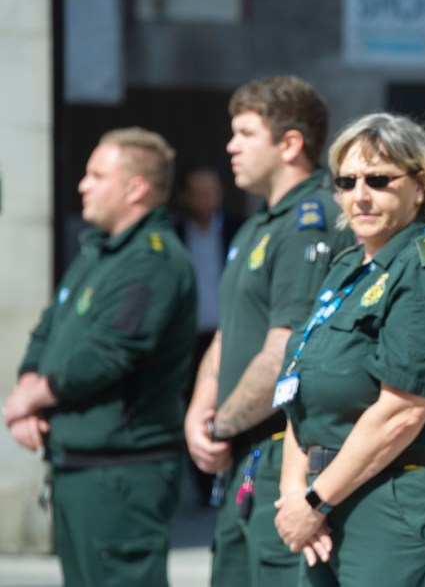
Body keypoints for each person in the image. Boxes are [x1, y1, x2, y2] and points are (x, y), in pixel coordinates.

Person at [272, 113, 425, 586]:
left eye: (378, 180)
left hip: (404, 503)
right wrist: (295, 493)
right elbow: (302, 388)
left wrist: (313, 502)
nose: (360, 195)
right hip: (330, 500)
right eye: (347, 182)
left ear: (419, 185)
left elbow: (402, 409)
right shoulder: (348, 267)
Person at [3, 127, 197, 587]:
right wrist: (29, 386)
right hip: (80, 465)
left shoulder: (153, 261)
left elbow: (110, 353)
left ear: (136, 188)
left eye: (96, 175)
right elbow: (49, 328)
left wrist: (32, 399)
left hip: (121, 475)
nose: (82, 185)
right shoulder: (99, 252)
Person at [183, 75, 354, 587]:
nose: (230, 146)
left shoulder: (312, 218)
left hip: (282, 450)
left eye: (244, 133)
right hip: (244, 452)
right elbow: (228, 332)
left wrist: (220, 426)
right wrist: (199, 414)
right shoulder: (258, 225)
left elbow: (286, 349)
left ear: (290, 144)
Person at [175, 166, 242, 504]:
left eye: (211, 191)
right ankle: (203, 487)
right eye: (198, 192)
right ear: (185, 196)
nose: (206, 199)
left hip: (226, 335)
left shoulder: (239, 230)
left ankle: (226, 479)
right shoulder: (173, 235)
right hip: (188, 339)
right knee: (193, 406)